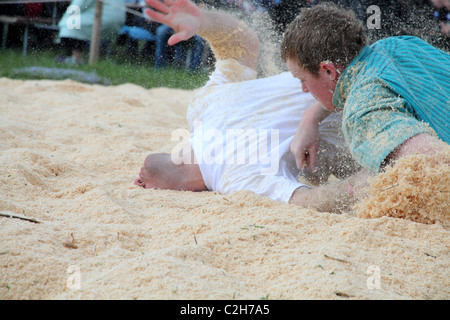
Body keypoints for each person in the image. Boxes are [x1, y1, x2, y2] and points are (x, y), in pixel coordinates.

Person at [134, 0, 363, 212]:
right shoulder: (201, 107)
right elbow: (242, 44)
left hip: (355, 91)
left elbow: (311, 200)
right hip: (358, 85)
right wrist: (204, 23)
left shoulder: (235, 177)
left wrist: (203, 22)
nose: (137, 178)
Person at [282, 2, 449, 178]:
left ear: (329, 70)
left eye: (303, 80)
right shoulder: (398, 44)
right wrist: (311, 117)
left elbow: (434, 162)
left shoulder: (360, 112)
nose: (304, 89)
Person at [57, 0, 126, 65]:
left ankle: (77, 58)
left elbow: (78, 5)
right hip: (118, 21)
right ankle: (94, 59)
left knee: (68, 25)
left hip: (103, 18)